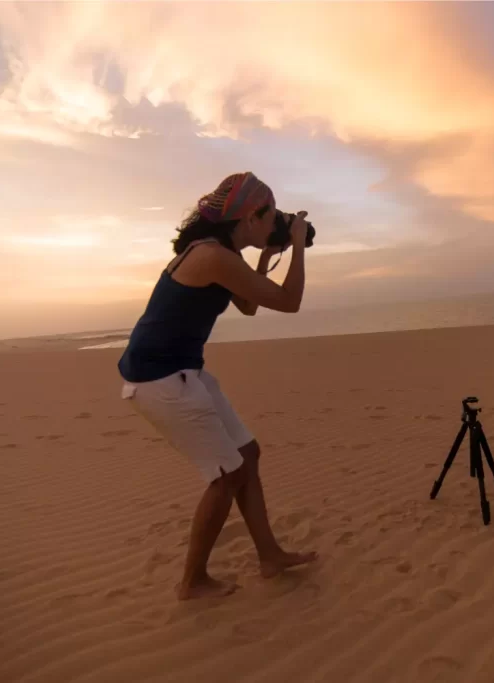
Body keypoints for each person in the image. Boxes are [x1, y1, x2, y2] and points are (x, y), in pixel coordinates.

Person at [117, 171, 317, 600]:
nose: (275, 224)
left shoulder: (222, 253)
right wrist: (298, 244)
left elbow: (246, 306)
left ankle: (270, 556)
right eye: (272, 217)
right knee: (228, 475)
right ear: (249, 218)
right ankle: (192, 582)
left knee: (247, 454)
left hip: (183, 370)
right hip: (159, 379)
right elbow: (290, 303)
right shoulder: (213, 256)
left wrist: (267, 258)